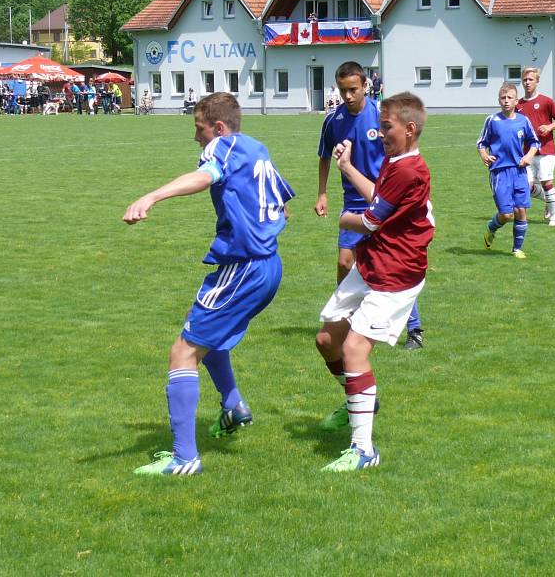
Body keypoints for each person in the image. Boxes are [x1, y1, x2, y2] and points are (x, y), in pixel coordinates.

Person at [123, 92, 295, 476]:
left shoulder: (224, 147)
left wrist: (152, 196)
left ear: (218, 127)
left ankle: (185, 458)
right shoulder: (256, 147)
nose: (196, 138)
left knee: (182, 353)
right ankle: (233, 406)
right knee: (208, 337)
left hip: (244, 268)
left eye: (198, 129)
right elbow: (283, 202)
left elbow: (205, 177)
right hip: (269, 264)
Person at [314, 92, 434, 472]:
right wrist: (348, 168)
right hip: (372, 263)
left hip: (396, 274)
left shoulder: (409, 169)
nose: (380, 133)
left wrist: (344, 219)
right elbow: (380, 198)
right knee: (327, 340)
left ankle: (363, 449)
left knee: (353, 349)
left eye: (387, 127)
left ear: (409, 130)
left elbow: (369, 220)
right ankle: (361, 398)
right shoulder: (394, 161)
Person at [317, 60, 426, 357]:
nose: (348, 96)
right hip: (354, 199)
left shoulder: (382, 116)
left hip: (384, 199)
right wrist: (322, 193)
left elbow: (400, 153)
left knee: (389, 264)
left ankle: (414, 327)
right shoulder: (333, 120)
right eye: (342, 90)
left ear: (365, 86)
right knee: (344, 263)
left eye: (353, 89)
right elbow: (325, 156)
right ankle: (345, 319)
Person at [477, 82, 540, 259]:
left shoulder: (523, 120)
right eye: (503, 98)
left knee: (521, 210)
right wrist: (484, 155)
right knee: (506, 214)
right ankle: (491, 227)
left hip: (519, 171)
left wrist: (529, 156)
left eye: (509, 98)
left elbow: (535, 142)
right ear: (499, 100)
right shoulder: (492, 120)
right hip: (499, 172)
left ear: (515, 100)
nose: (506, 101)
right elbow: (482, 143)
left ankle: (517, 249)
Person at [516, 67, 555, 226]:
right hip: (528, 152)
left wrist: (549, 127)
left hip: (546, 150)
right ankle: (548, 200)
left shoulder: (546, 101)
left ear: (537, 81)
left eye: (530, 79)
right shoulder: (519, 105)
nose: (527, 82)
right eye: (525, 80)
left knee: (546, 181)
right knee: (526, 187)